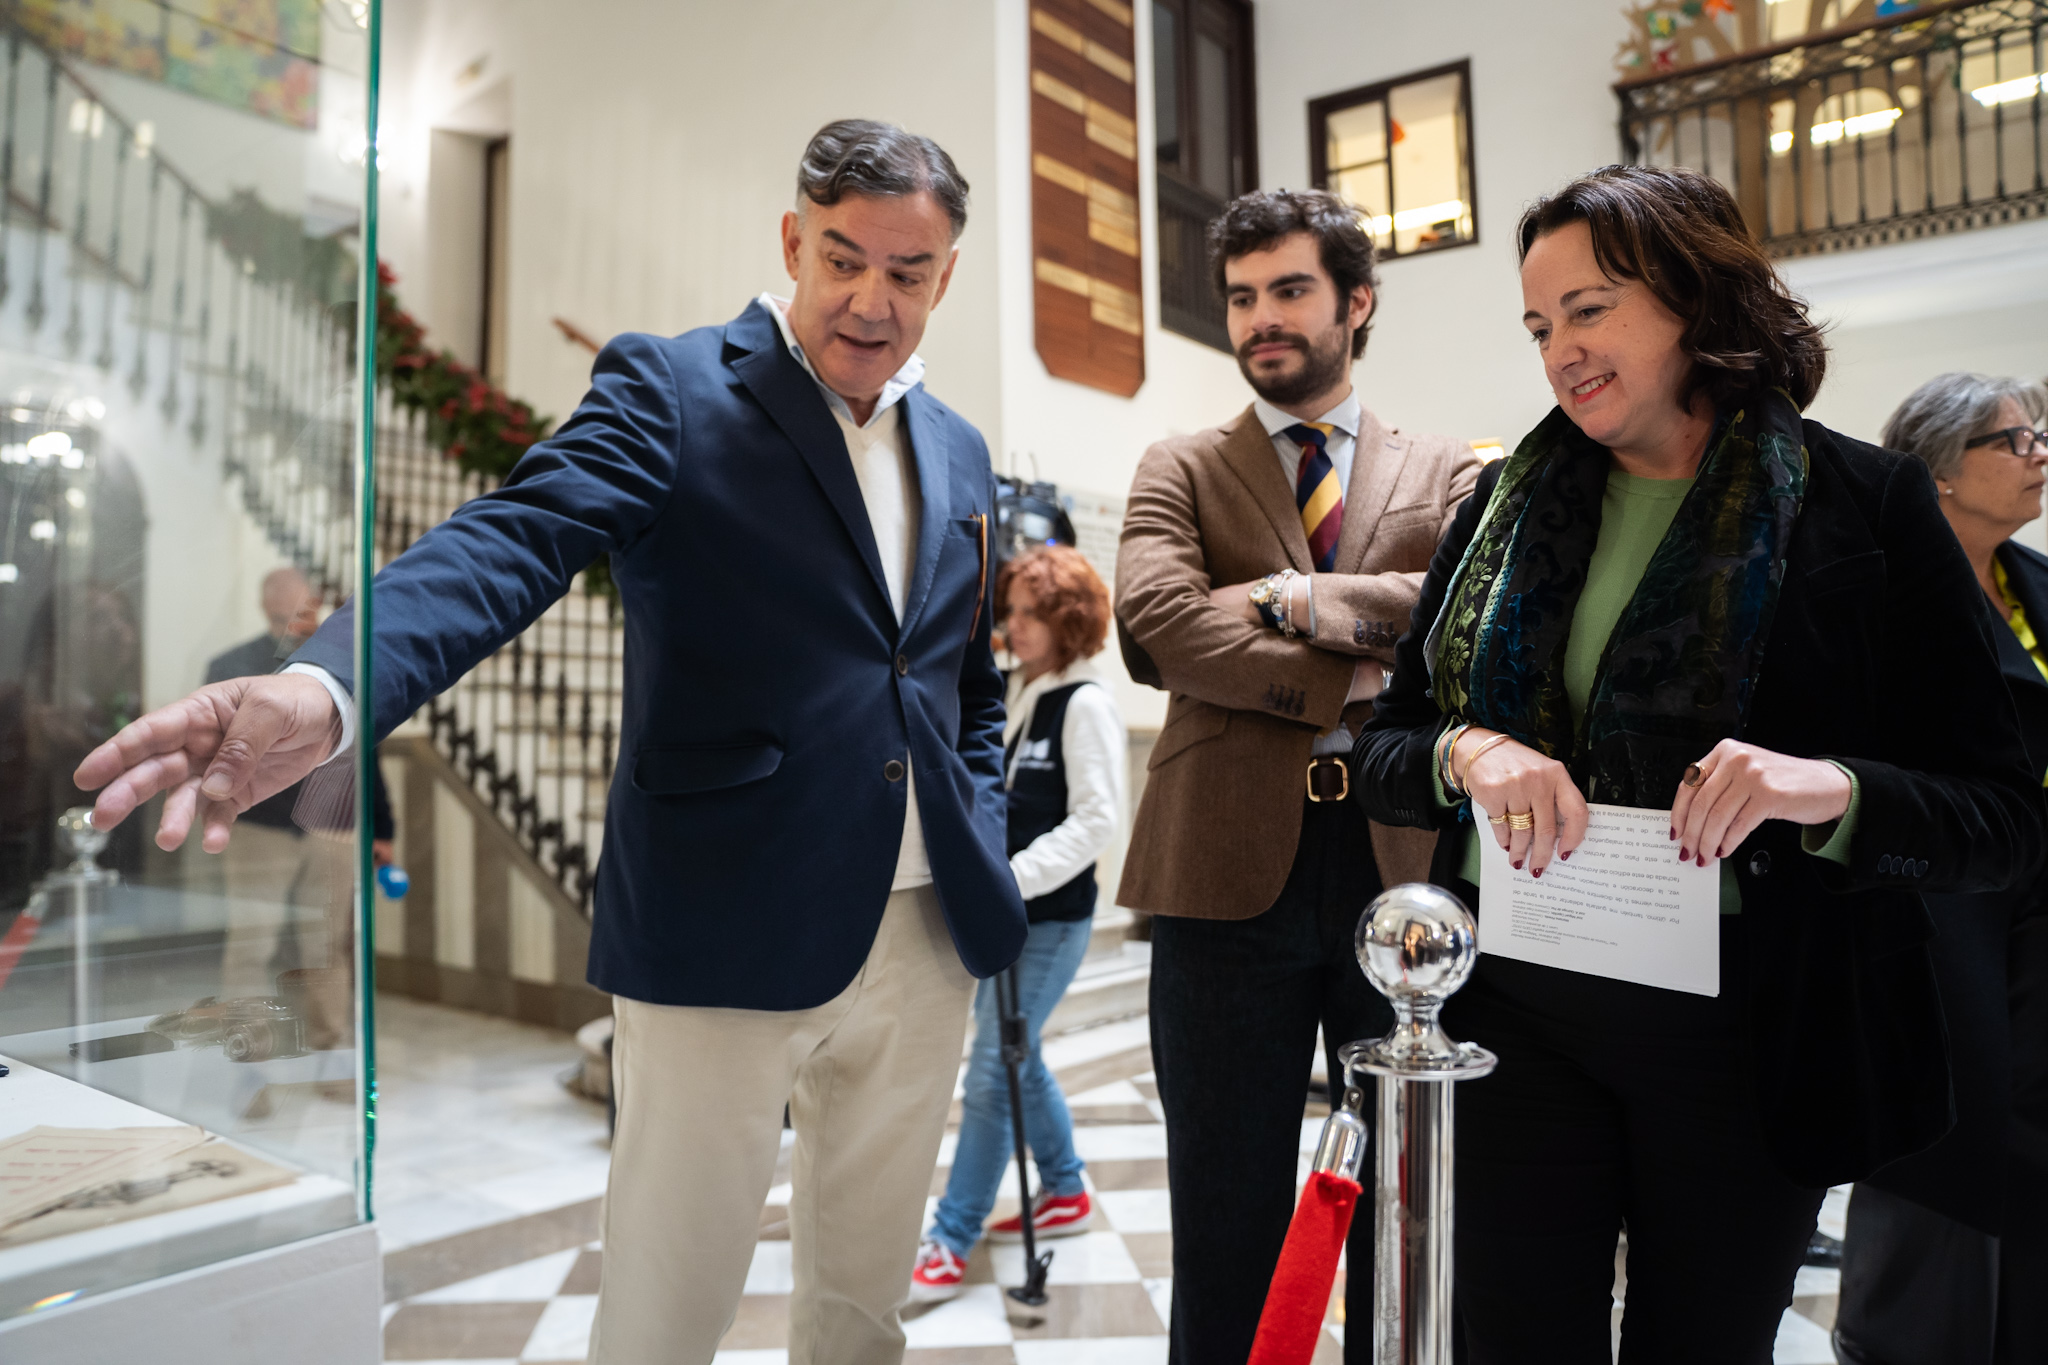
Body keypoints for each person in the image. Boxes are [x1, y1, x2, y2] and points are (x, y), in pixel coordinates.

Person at [71, 119, 1023, 1365]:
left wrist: (984, 837)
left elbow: (964, 682)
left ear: (945, 276)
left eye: (908, 272)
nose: (870, 298)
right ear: (792, 241)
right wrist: (330, 685)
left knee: (860, 1308)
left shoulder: (956, 448)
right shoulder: (677, 391)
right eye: (843, 257)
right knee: (664, 1311)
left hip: (924, 939)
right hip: (721, 926)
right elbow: (516, 538)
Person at [1351, 164, 2044, 1365]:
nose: (1558, 350)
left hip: (1749, 1028)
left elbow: (1996, 816)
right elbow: (1388, 750)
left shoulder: (1860, 503)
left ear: (1691, 295)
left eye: (1588, 308)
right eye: (1536, 325)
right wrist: (1469, 749)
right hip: (1520, 1009)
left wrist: (1823, 789)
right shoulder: (1497, 512)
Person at [1114, 187, 1480, 1364]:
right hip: (1219, 871)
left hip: (1402, 871)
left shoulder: (1445, 469)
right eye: (1239, 297)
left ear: (1354, 302)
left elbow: (1462, 616)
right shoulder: (1179, 462)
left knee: (1402, 1200)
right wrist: (1356, 673)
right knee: (1224, 1206)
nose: (1258, 318)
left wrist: (1299, 598)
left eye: (1287, 291)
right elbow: (1161, 623)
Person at [1834, 373, 2048, 1365]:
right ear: (1942, 473)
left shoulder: (2032, 582)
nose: (2037, 452)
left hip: (2034, 919)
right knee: (1947, 1152)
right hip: (1940, 913)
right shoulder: (1884, 595)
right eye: (2013, 439)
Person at [911, 544, 1126, 1296]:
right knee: (1017, 1054)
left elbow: (1098, 819)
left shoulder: (1085, 703)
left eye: (1032, 614)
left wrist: (1010, 878)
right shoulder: (1013, 689)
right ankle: (1064, 1186)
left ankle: (951, 1233)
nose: (1014, 625)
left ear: (1069, 621)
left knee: (994, 1073)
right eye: (1011, 612)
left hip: (1051, 922)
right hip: (1001, 918)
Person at [203, 566, 393, 996]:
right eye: (281, 619)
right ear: (265, 611)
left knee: (328, 946)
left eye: (302, 617)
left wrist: (382, 826)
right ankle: (245, 1043)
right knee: (252, 941)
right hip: (260, 826)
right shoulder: (230, 667)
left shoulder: (347, 665)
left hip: (332, 823)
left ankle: (330, 1048)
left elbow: (369, 749)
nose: (293, 629)